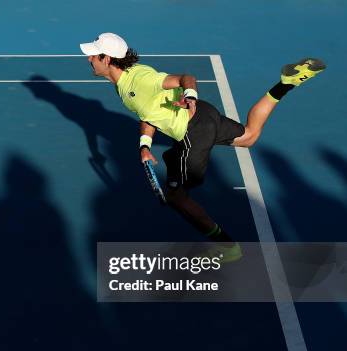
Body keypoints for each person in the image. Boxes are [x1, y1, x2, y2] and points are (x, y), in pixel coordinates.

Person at [80, 33, 325, 260]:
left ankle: (228, 247)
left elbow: (186, 78)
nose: (89, 59)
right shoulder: (126, 80)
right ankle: (285, 83)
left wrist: (190, 96)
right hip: (205, 115)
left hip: (193, 133)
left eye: (93, 55)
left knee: (176, 197)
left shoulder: (140, 80)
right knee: (249, 136)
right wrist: (145, 145)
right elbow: (148, 114)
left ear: (107, 58)